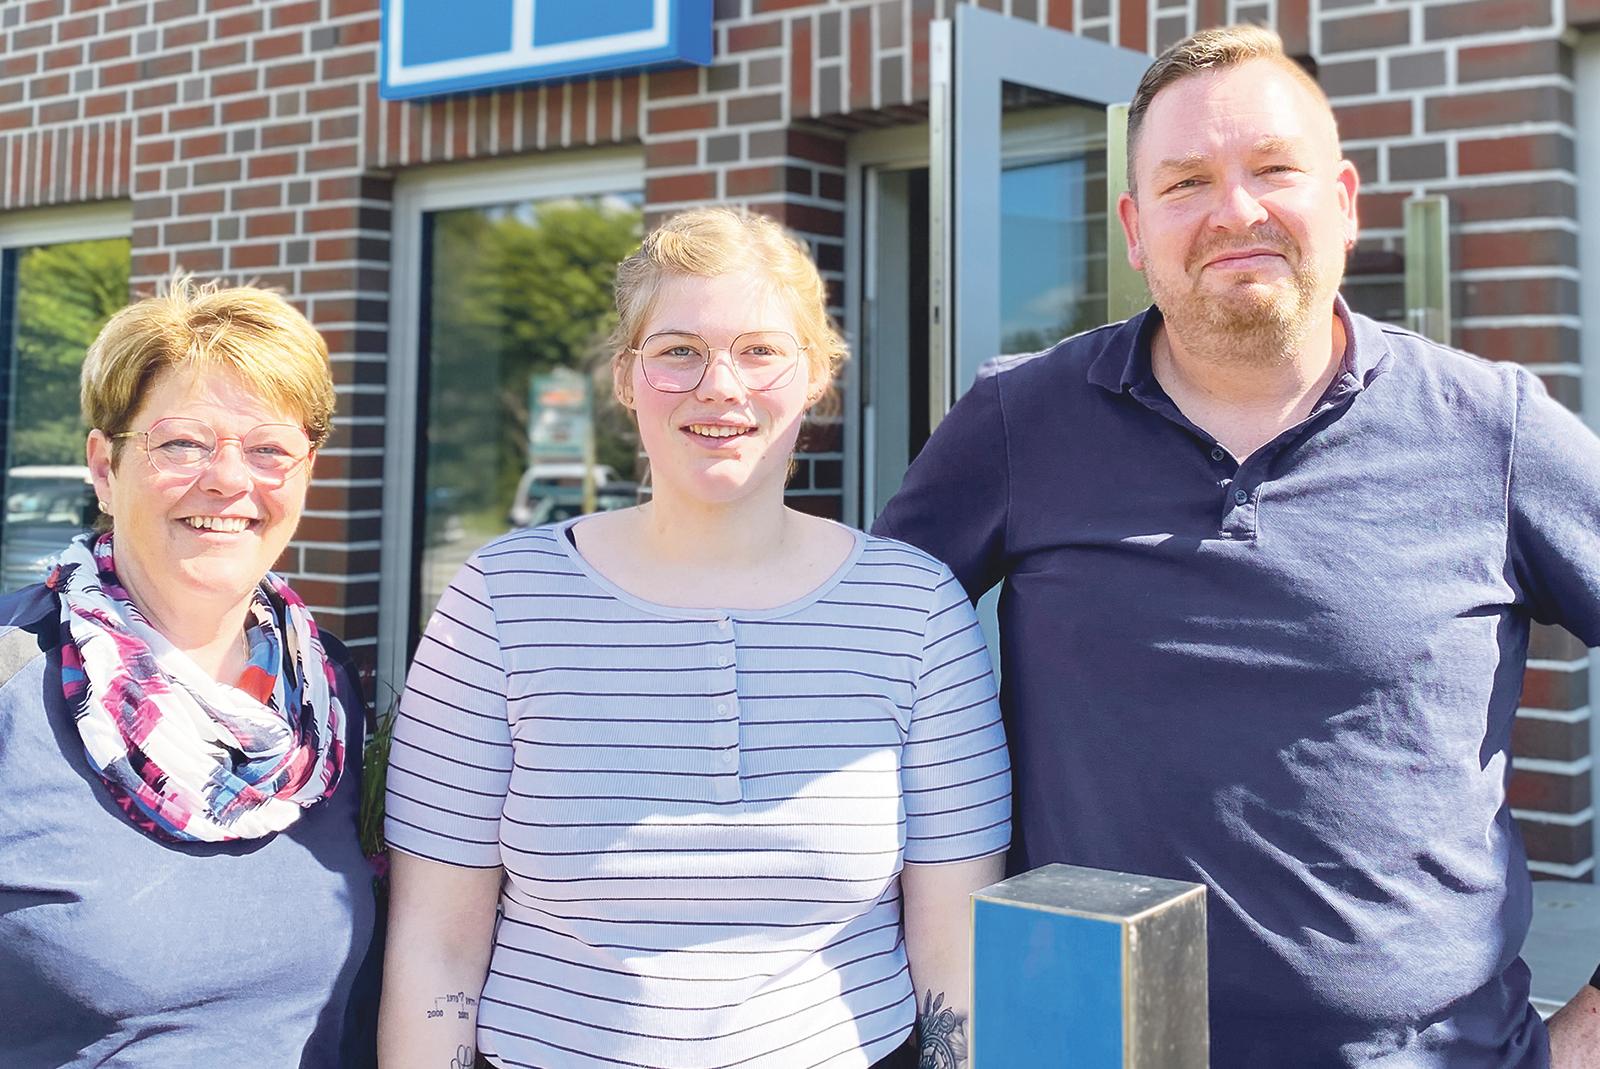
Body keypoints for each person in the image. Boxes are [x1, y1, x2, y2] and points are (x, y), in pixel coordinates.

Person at [874, 24, 1600, 1069]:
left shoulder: (1494, 429)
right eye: (1186, 182)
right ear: (1134, 229)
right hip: (1084, 1047)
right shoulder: (1018, 421)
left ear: (1343, 202)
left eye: (1272, 168)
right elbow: (860, 668)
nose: (1234, 211)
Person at [379, 207, 1011, 1069]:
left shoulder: (916, 608)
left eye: (760, 350)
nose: (719, 385)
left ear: (816, 376)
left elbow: (954, 944)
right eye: (679, 350)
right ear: (625, 377)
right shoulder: (501, 599)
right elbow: (435, 946)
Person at [0, 278, 376, 1067]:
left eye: (269, 449)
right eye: (182, 443)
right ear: (104, 467)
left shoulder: (329, 697)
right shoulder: (12, 681)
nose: (229, 480)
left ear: (307, 471)